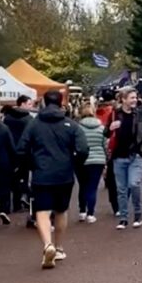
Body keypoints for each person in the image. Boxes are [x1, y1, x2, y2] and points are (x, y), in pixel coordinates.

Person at [17, 90, 88, 268]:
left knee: (42, 211)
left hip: (42, 174)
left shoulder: (34, 125)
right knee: (61, 211)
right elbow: (83, 149)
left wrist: (33, 164)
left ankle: (47, 244)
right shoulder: (71, 125)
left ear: (43, 103)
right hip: (64, 174)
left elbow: (21, 149)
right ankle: (59, 246)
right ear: (61, 102)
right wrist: (73, 163)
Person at [106, 87, 142, 229]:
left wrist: (141, 151)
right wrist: (111, 128)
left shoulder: (140, 114)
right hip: (119, 156)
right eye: (131, 98)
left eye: (135, 97)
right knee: (121, 189)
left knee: (134, 184)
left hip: (135, 156)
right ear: (123, 99)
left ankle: (138, 214)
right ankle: (123, 218)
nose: (134, 100)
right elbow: (106, 133)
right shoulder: (115, 114)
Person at [3, 94, 34, 212]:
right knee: (24, 177)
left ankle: (14, 203)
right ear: (22, 104)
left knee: (13, 177)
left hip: (10, 151)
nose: (31, 107)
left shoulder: (7, 118)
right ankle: (22, 199)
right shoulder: (29, 119)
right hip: (25, 152)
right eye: (29, 104)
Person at [77, 104, 107, 223]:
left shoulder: (78, 128)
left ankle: (82, 211)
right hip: (98, 160)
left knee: (82, 186)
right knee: (92, 187)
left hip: (81, 161)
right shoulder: (101, 128)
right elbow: (104, 145)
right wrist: (106, 160)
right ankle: (90, 214)